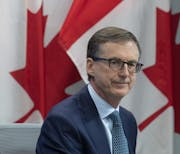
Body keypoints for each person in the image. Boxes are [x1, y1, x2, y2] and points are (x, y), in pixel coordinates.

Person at [36, 26, 143, 154]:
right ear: (90, 66)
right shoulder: (63, 121)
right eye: (115, 62)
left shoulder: (127, 120)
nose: (125, 73)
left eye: (131, 64)